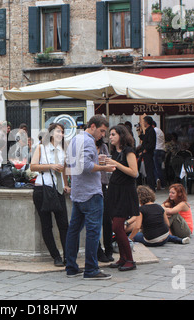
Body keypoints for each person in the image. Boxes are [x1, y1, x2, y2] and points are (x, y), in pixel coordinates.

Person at [64, 115, 115, 280]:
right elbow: (85, 165)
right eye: (101, 131)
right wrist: (104, 168)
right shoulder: (87, 141)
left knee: (73, 231)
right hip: (91, 193)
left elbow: (74, 162)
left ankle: (71, 267)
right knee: (93, 232)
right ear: (92, 126)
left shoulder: (75, 139)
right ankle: (91, 269)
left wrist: (96, 160)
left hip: (78, 192)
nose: (102, 135)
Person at [30, 123, 70, 267]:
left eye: (63, 132)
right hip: (43, 189)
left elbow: (63, 170)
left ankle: (67, 255)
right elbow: (33, 166)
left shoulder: (63, 150)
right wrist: (50, 166)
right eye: (58, 131)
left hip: (58, 190)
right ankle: (56, 256)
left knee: (64, 224)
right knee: (46, 225)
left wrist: (66, 184)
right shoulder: (41, 147)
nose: (61, 134)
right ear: (51, 133)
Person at [105, 125, 139, 271]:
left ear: (121, 135)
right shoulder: (114, 151)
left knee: (117, 227)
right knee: (116, 226)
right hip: (114, 191)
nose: (110, 137)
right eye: (110, 135)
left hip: (125, 192)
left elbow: (134, 172)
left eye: (113, 134)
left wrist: (116, 164)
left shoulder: (128, 151)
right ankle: (123, 258)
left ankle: (130, 260)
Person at [96, 137, 114, 263]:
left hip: (103, 184)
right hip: (90, 185)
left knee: (107, 219)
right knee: (94, 220)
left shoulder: (103, 147)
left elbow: (109, 162)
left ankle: (109, 249)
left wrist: (105, 162)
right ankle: (98, 251)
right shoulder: (86, 147)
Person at [138, 116, 156, 191]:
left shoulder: (151, 130)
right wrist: (139, 132)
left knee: (149, 170)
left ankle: (151, 186)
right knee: (147, 169)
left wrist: (145, 150)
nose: (143, 123)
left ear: (147, 122)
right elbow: (145, 138)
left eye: (144, 121)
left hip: (148, 153)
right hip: (145, 152)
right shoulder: (148, 130)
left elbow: (151, 142)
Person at [153, 122, 166, 190]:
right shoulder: (160, 131)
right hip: (162, 150)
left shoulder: (154, 130)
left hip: (156, 150)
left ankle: (157, 179)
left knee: (155, 167)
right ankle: (163, 184)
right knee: (160, 167)